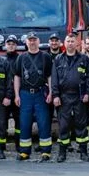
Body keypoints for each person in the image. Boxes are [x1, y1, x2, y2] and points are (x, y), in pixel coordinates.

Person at [13, 33, 53, 162]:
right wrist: (17, 95)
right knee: (24, 123)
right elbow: (17, 77)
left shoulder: (46, 57)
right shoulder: (21, 58)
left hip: (40, 93)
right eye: (30, 40)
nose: (32, 42)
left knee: (44, 122)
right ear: (26, 42)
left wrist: (51, 92)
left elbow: (50, 76)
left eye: (34, 40)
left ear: (39, 41)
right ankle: (25, 152)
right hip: (25, 94)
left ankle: (45, 152)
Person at [52, 34, 89, 162]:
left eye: (72, 41)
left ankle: (83, 152)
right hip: (64, 96)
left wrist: (87, 93)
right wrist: (56, 95)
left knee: (81, 124)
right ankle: (62, 153)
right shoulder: (58, 59)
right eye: (68, 41)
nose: (70, 43)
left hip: (80, 96)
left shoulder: (84, 59)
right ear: (64, 43)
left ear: (77, 43)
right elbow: (54, 79)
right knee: (63, 125)